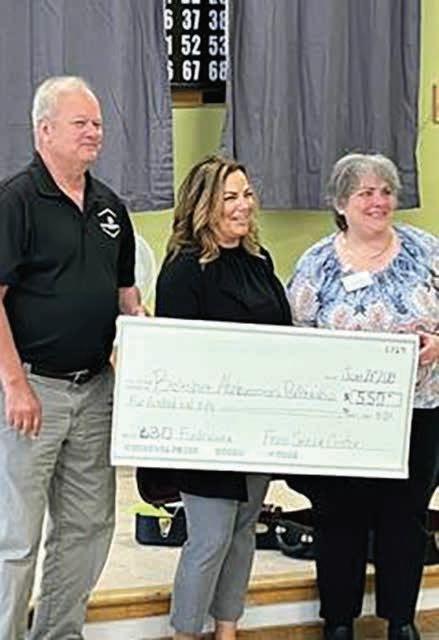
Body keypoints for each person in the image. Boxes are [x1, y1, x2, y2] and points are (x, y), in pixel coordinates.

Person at [0, 76, 143, 639]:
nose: (94, 133)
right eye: (80, 123)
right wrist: (15, 385)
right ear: (44, 131)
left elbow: (127, 297)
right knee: (16, 536)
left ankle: (59, 633)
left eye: (98, 123)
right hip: (32, 392)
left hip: (96, 390)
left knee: (87, 529)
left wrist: (152, 337)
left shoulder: (110, 207)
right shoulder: (15, 201)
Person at [286, 153, 439, 640]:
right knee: (338, 518)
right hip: (341, 420)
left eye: (386, 192)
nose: (378, 202)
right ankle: (338, 620)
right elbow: (295, 339)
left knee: (406, 517)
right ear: (340, 204)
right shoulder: (317, 264)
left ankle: (401, 620)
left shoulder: (427, 252)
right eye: (365, 193)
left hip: (417, 413)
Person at [155, 155, 292, 640]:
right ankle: (186, 633)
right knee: (210, 538)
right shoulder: (183, 270)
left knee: (241, 534)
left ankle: (228, 630)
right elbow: (174, 358)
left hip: (256, 425)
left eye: (247, 194)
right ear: (203, 205)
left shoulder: (260, 261)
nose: (243, 205)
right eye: (229, 197)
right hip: (206, 431)